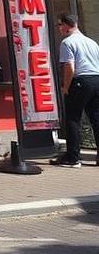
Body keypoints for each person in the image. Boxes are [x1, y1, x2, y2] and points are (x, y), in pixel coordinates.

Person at [50, 13, 99, 168]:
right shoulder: (92, 42)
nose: (58, 28)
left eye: (59, 25)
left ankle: (73, 158)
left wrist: (66, 86)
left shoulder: (67, 42)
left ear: (66, 25)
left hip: (80, 81)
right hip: (96, 79)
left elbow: (69, 66)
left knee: (73, 118)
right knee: (96, 119)